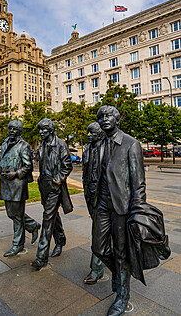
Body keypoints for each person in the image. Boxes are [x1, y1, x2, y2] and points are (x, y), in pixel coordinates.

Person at [92, 105, 146, 315]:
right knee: (99, 247)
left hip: (122, 206)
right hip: (103, 203)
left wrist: (137, 212)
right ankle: (119, 274)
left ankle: (122, 296)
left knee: (121, 253)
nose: (104, 119)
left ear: (117, 120)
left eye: (109, 116)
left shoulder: (131, 144)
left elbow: (138, 182)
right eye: (101, 116)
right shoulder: (100, 144)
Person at [31, 118, 73, 270]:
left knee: (47, 219)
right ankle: (60, 240)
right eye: (40, 129)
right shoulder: (42, 145)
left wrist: (57, 180)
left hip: (55, 187)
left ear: (51, 130)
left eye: (44, 129)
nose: (41, 132)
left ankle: (41, 257)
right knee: (52, 215)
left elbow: (67, 166)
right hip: (44, 186)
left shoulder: (60, 144)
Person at [0, 120, 40, 257]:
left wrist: (15, 174)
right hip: (5, 183)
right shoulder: (5, 143)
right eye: (10, 128)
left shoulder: (24, 146)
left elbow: (28, 166)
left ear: (20, 131)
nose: (11, 131)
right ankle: (32, 225)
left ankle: (18, 244)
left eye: (14, 129)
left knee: (16, 216)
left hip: (17, 184)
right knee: (11, 213)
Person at [82, 122, 105, 284]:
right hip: (90, 195)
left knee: (98, 232)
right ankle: (108, 258)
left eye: (92, 133)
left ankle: (96, 269)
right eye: (88, 133)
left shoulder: (108, 149)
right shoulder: (87, 151)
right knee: (101, 231)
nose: (89, 135)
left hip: (105, 197)